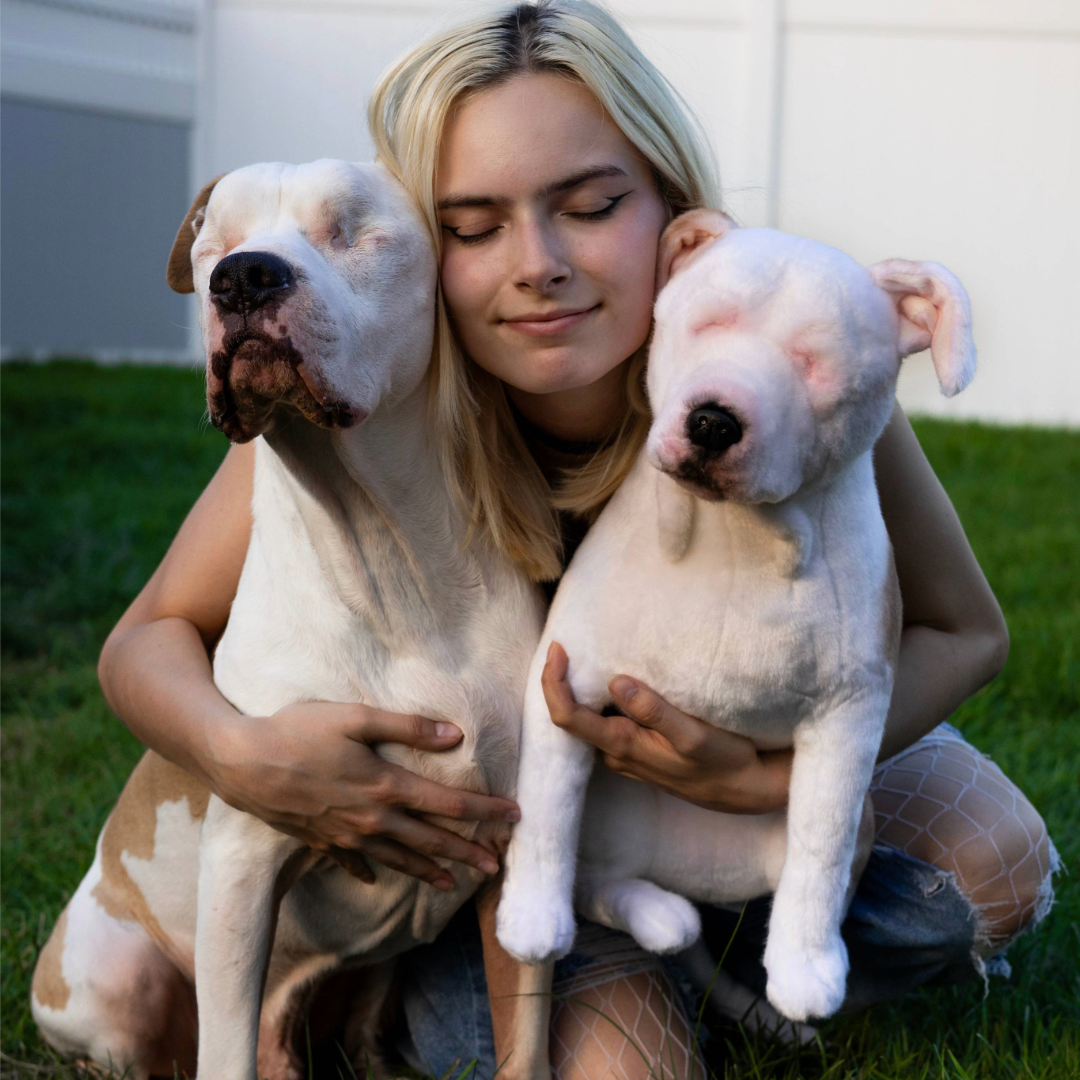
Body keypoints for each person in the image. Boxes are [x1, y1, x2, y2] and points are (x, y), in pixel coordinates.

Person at [97, 2, 1058, 1075]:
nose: (538, 262)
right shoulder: (382, 400)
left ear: (672, 205)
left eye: (593, 205)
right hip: (511, 840)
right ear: (413, 252)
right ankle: (543, 978)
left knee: (989, 868)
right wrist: (246, 758)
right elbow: (148, 636)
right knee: (626, 1067)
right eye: (472, 227)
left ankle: (729, 937)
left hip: (757, 738)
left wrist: (769, 774)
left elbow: (968, 629)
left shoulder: (785, 371)